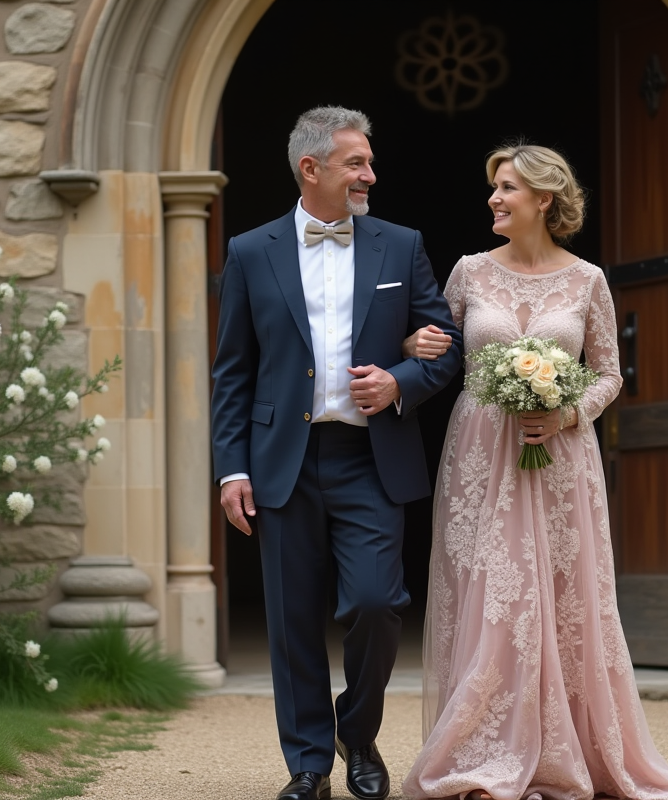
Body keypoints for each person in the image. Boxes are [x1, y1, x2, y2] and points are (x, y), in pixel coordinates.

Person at [401, 145, 668, 800]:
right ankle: (482, 754)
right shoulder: (469, 272)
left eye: (506, 187)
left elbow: (608, 374)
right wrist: (410, 345)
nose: (493, 199)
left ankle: (567, 753)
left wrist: (567, 413)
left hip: (561, 459)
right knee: (494, 594)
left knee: (565, 598)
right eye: (493, 188)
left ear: (543, 199)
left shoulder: (588, 280)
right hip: (481, 456)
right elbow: (437, 353)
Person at [210, 106, 462, 800]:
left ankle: (358, 731)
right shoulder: (250, 251)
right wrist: (232, 467)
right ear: (310, 168)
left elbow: (445, 346)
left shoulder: (401, 245)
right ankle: (309, 765)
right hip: (281, 461)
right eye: (357, 163)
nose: (370, 174)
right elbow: (232, 371)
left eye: (369, 162)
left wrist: (400, 381)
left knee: (378, 604)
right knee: (292, 621)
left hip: (370, 458)